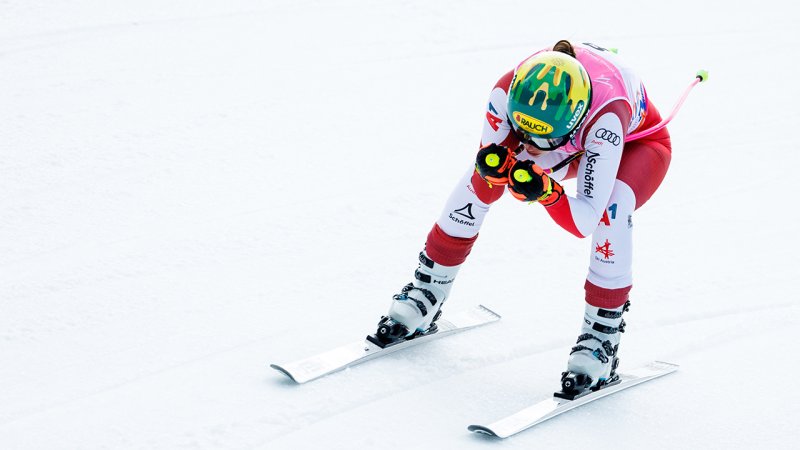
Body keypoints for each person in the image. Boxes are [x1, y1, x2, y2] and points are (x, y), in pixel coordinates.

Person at [373, 39, 672, 393]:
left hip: (636, 145)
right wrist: (509, 165)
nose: (528, 144)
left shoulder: (605, 120)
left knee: (611, 211)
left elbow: (583, 222)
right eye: (523, 131)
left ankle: (599, 340)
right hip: (567, 139)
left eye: (538, 138)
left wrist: (548, 193)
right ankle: (426, 292)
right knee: (481, 176)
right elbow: (492, 166)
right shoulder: (505, 91)